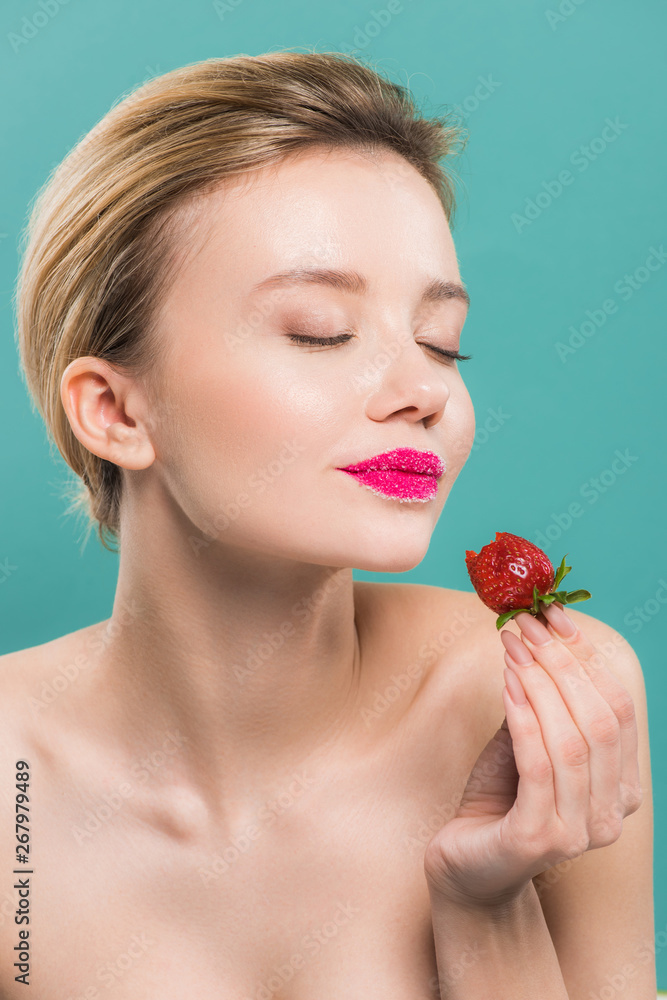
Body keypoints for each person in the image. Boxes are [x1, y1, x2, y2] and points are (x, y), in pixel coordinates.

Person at [3, 49, 654, 998]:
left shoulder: (533, 705)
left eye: (440, 341)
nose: (424, 388)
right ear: (115, 411)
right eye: (318, 330)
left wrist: (486, 904)